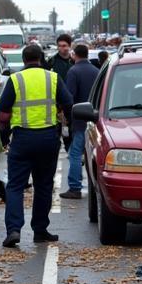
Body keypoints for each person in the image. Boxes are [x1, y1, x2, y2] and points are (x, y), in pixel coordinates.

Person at [0, 43, 73, 247]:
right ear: (41, 59)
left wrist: (4, 136)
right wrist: (66, 126)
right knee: (44, 185)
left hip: (22, 138)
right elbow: (68, 103)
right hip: (48, 138)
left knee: (15, 186)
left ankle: (14, 230)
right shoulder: (53, 78)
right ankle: (40, 230)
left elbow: (3, 114)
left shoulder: (15, 79)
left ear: (23, 60)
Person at [60, 43, 98, 199]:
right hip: (95, 119)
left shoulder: (73, 71)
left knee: (75, 154)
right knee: (92, 154)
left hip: (80, 120)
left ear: (74, 54)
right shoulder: (96, 71)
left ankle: (75, 187)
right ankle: (94, 184)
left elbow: (69, 97)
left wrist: (67, 119)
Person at [48, 34, 74, 151]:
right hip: (55, 105)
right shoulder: (52, 62)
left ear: (70, 46)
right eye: (59, 46)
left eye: (64, 46)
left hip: (70, 104)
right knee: (54, 139)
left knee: (70, 137)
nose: (61, 48)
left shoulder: (74, 62)